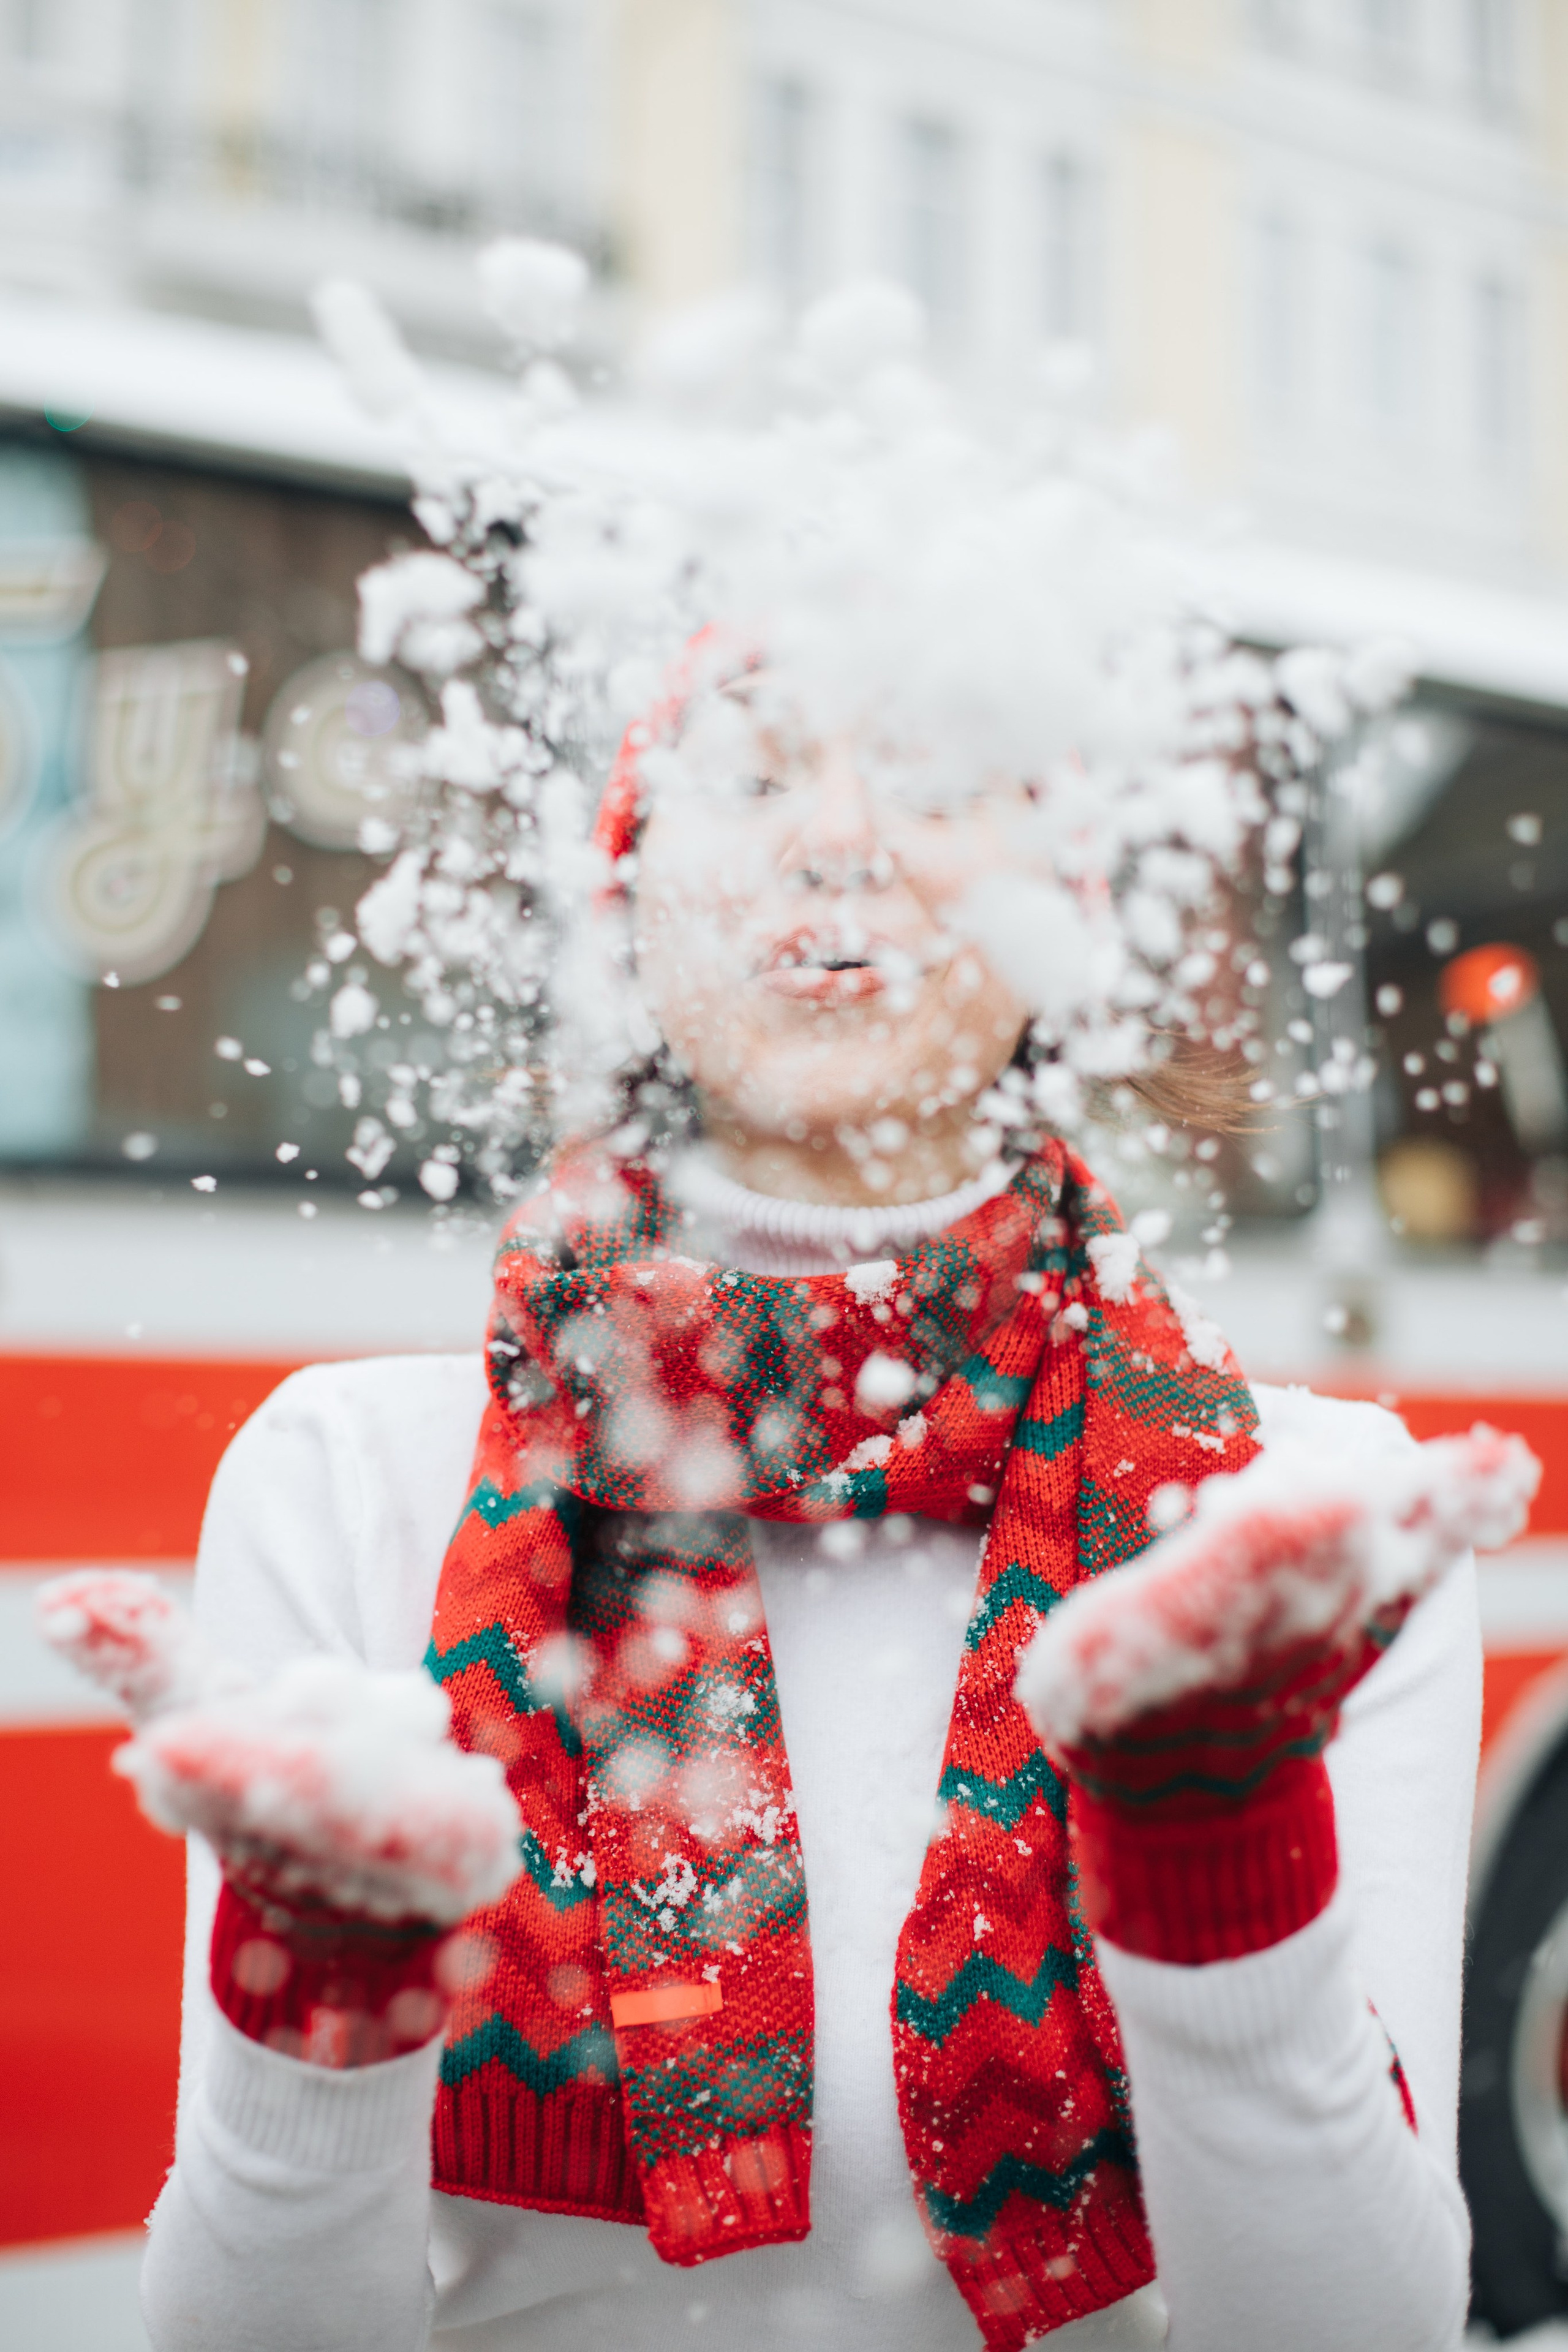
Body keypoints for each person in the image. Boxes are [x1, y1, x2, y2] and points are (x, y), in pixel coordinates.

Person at [114, 681, 1493, 2352]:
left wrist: (1217, 1860)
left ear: (1062, 906)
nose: (838, 837)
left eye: (931, 771)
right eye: (756, 773)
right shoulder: (347, 1476)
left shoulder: (1290, 1523)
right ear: (628, 899)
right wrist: (313, 2016)